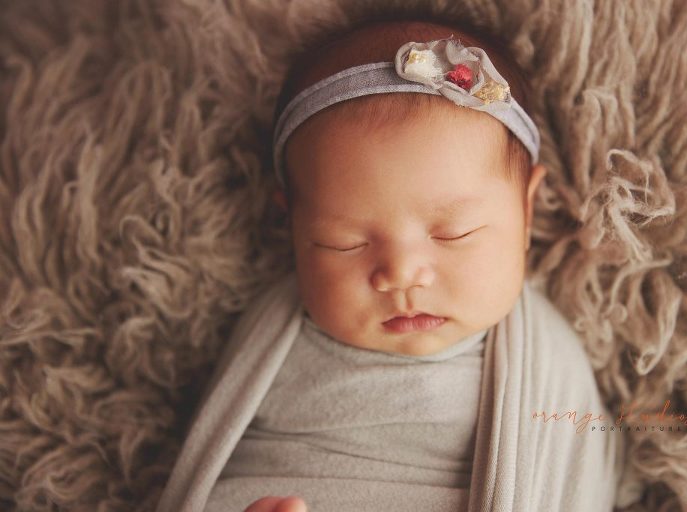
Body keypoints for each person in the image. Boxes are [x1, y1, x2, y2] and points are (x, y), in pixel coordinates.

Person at [156, 17, 633, 512]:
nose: (402, 275)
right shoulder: (270, 336)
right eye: (342, 242)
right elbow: (214, 464)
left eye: (454, 233)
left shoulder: (549, 363)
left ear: (526, 210)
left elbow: (578, 483)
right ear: (292, 227)